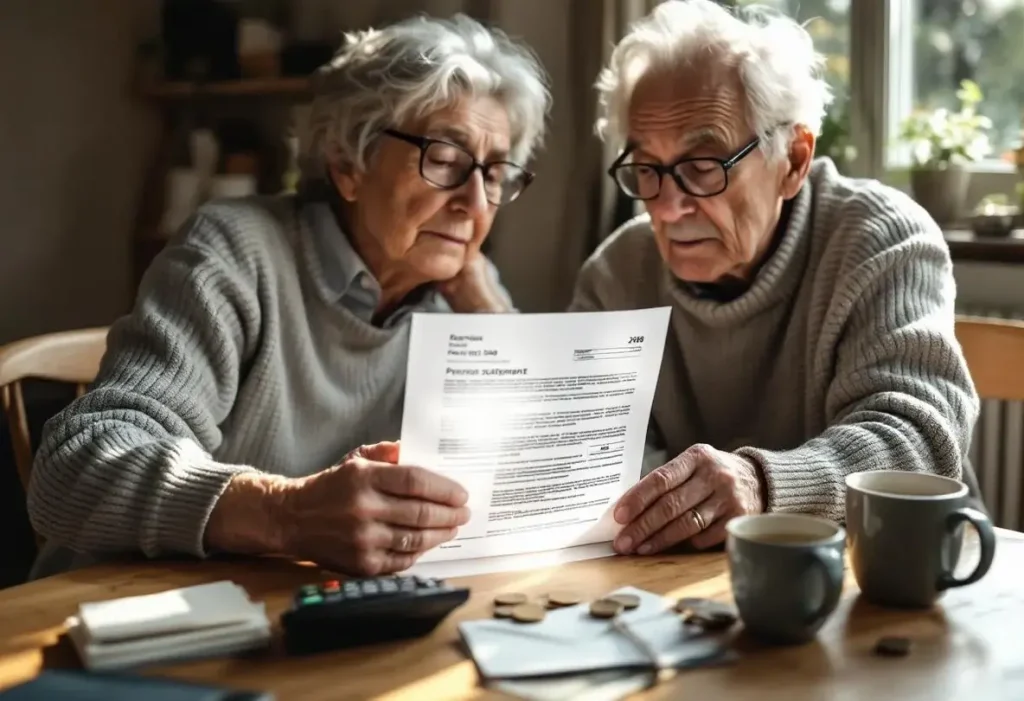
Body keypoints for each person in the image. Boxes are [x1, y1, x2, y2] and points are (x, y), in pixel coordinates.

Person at [27, 14, 551, 578]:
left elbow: (545, 473)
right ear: (348, 163)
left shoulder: (465, 296)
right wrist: (285, 511)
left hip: (293, 621)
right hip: (119, 614)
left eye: (495, 174)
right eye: (445, 160)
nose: (475, 203)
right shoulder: (237, 250)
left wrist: (491, 317)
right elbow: (73, 469)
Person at [449, 0, 980, 555]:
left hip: (899, 571)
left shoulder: (880, 237)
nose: (669, 207)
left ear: (794, 159)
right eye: (648, 169)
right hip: (702, 583)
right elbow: (587, 451)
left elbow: (921, 438)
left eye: (703, 167)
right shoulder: (618, 270)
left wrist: (764, 485)